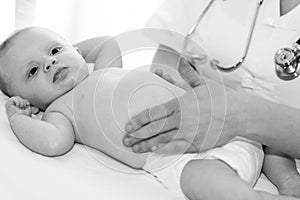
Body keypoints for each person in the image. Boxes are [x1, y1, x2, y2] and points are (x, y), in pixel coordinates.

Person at [1, 26, 297, 200]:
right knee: (201, 182)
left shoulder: (106, 67)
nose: (50, 64)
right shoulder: (60, 112)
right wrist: (19, 118)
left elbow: (109, 42)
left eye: (54, 51)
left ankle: (289, 181)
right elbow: (53, 143)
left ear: (78, 53)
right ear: (27, 99)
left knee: (260, 120)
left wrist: (73, 49)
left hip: (229, 122)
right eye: (33, 70)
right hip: (182, 157)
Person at [122, 0, 300, 197]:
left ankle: (288, 180)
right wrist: (177, 93)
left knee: (210, 174)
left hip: (277, 145)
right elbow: (169, 56)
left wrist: (240, 115)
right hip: (194, 121)